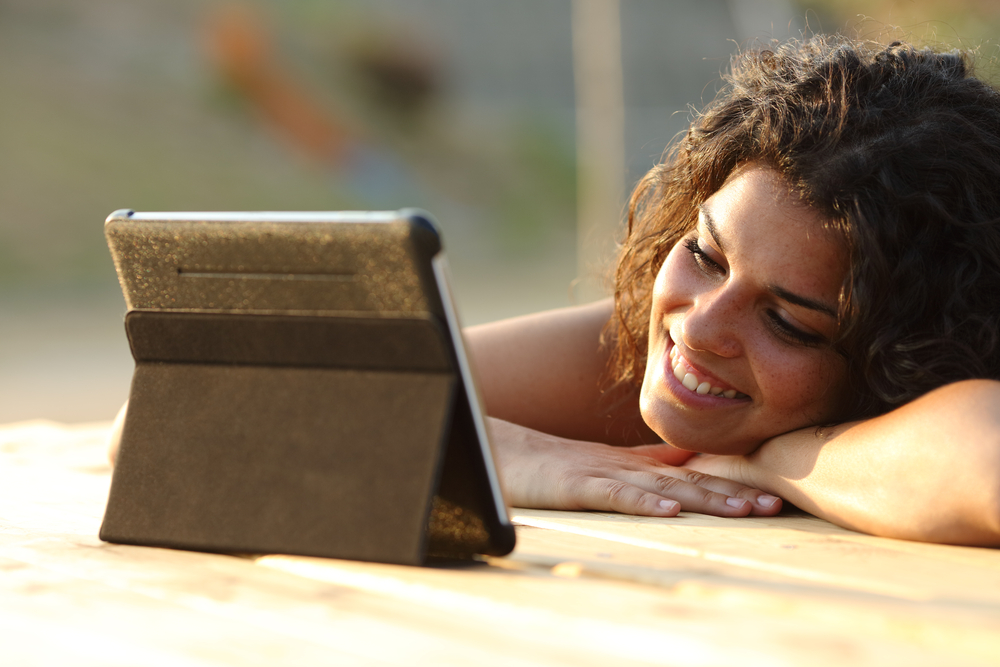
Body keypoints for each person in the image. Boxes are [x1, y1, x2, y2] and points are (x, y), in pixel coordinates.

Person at [465, 35, 1000, 547]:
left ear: (909, 360)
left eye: (787, 323)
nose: (698, 328)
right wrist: (495, 450)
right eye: (705, 256)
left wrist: (771, 462)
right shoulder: (647, 350)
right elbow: (387, 378)